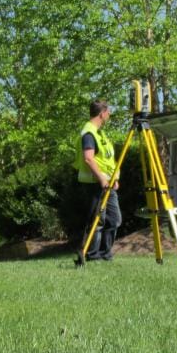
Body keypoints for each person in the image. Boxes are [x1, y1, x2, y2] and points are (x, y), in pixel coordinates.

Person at [75, 99, 121, 261]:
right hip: (95, 184)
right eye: (108, 112)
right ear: (102, 113)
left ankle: (105, 253)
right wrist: (101, 178)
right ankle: (92, 255)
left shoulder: (100, 133)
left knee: (114, 219)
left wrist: (113, 177)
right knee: (97, 220)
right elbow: (88, 159)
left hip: (108, 183)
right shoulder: (89, 133)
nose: (109, 115)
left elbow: (106, 159)